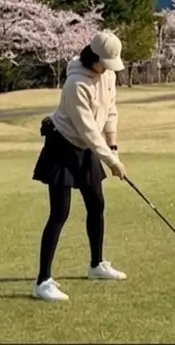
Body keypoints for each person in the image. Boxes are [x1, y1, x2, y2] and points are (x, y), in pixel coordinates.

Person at [31, 31, 130, 302]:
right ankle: (42, 282)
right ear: (94, 57)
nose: (110, 69)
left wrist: (113, 149)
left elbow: (110, 112)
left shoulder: (107, 74)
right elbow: (87, 131)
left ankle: (96, 265)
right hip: (62, 146)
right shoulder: (76, 84)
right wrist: (112, 162)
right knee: (59, 214)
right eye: (106, 63)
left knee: (97, 204)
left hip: (88, 150)